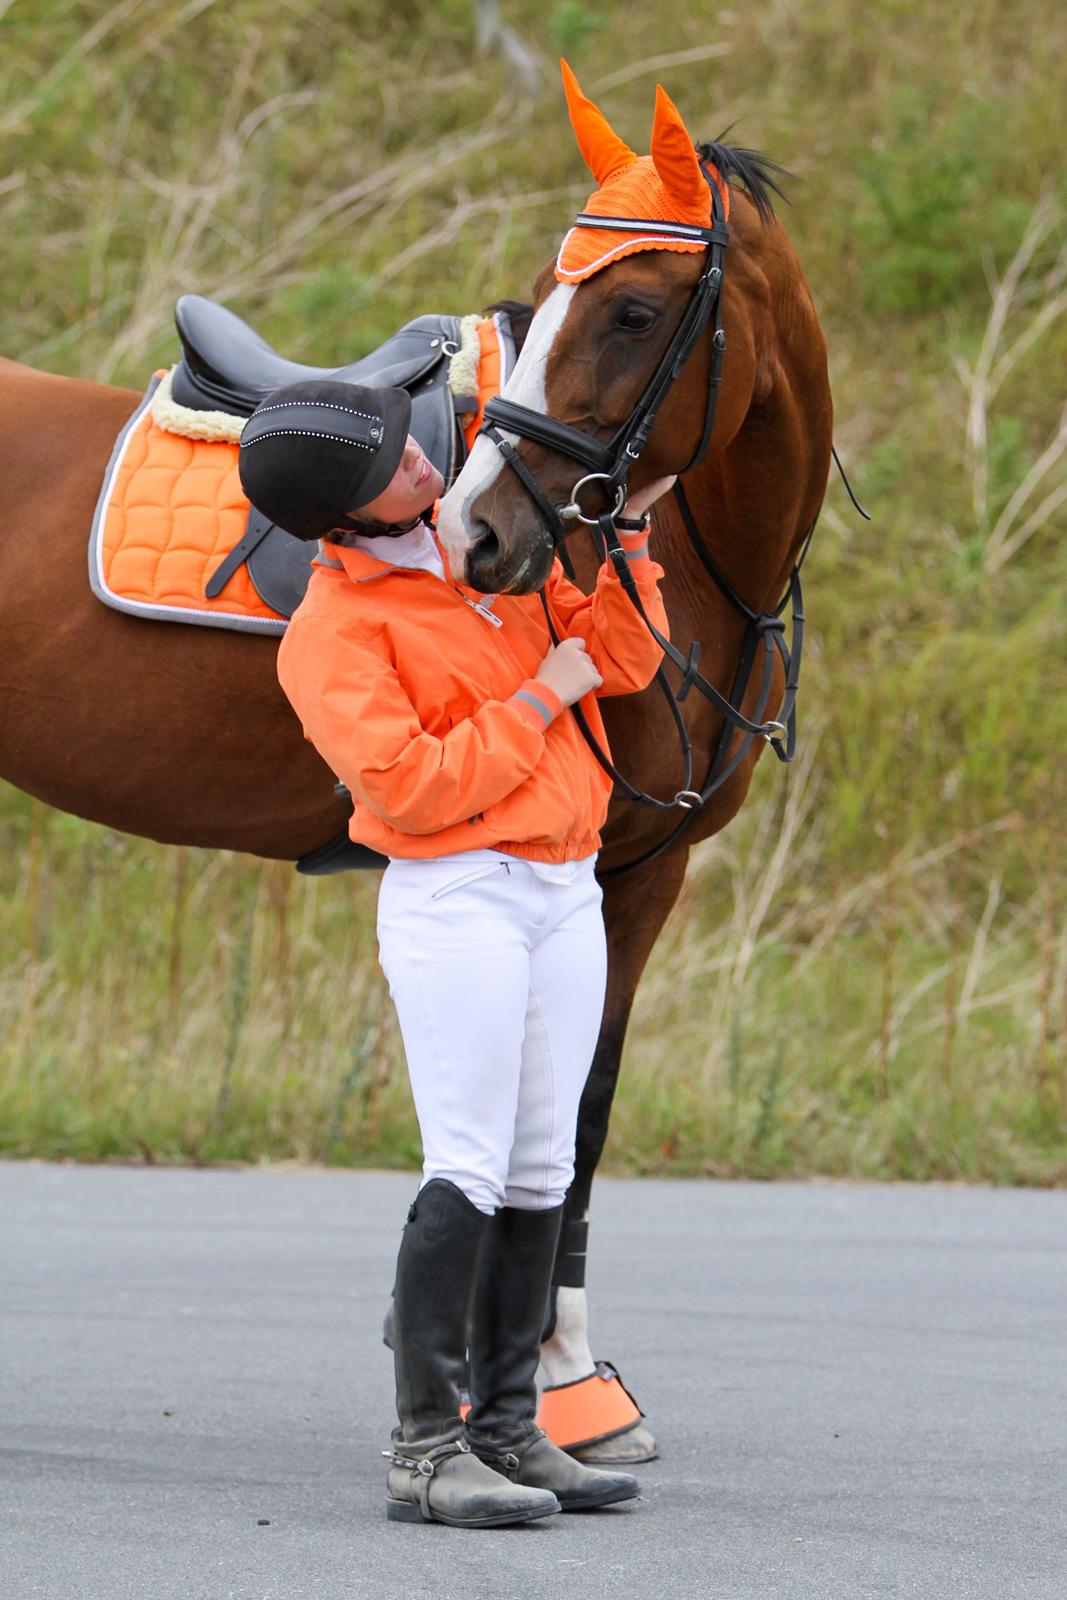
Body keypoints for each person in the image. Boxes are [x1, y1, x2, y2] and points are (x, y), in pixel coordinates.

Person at [238, 378, 673, 1528]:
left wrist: (627, 536)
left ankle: (510, 1430)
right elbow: (414, 791)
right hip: (459, 899)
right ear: (346, 514)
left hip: (561, 887)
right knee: (468, 1164)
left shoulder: (485, 561)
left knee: (540, 1167)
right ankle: (424, 1453)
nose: (429, 462)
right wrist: (540, 697)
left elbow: (620, 657)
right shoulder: (334, 636)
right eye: (397, 462)